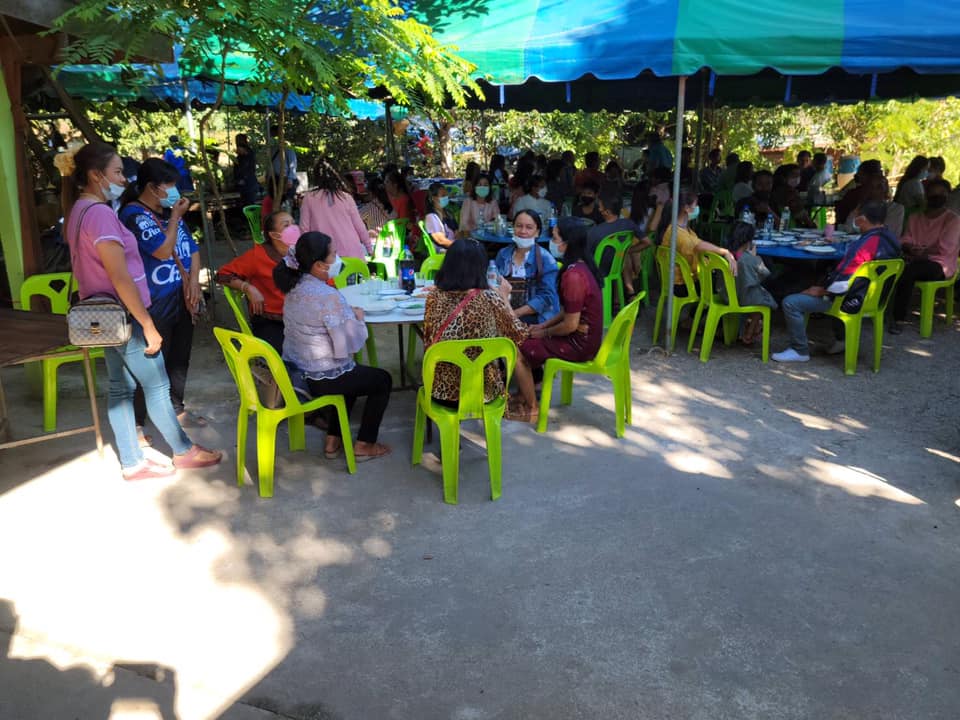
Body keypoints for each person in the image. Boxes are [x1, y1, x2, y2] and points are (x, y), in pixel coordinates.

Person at [60, 142, 220, 480]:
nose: (123, 179)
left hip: (102, 314)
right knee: (157, 385)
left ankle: (133, 462)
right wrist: (147, 323)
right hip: (124, 313)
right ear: (96, 175)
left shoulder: (78, 210)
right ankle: (184, 451)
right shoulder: (102, 214)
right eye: (118, 172)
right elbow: (120, 277)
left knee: (120, 388)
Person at [274, 232, 392, 460]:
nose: (338, 258)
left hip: (296, 373)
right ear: (319, 265)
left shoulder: (293, 289)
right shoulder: (328, 296)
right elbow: (350, 343)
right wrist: (358, 319)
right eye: (334, 254)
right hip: (319, 379)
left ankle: (333, 439)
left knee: (350, 372)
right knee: (381, 380)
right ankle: (365, 444)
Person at [118, 158, 205, 437]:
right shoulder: (134, 216)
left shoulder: (168, 212)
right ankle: (137, 423)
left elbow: (192, 249)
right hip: (154, 300)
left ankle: (176, 408)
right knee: (150, 365)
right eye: (169, 186)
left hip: (181, 295)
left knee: (179, 358)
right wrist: (176, 217)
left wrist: (193, 283)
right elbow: (162, 251)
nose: (174, 191)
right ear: (152, 188)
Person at [772, 201, 900, 363]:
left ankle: (799, 349)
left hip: (852, 300)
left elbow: (842, 282)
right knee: (823, 284)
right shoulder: (891, 239)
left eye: (856, 216)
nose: (854, 219)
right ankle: (842, 339)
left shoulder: (864, 244)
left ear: (862, 219)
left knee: (791, 302)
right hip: (876, 299)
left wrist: (821, 290)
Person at [509, 218, 604, 422]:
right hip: (584, 337)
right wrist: (542, 326)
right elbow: (567, 311)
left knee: (516, 349)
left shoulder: (574, 276)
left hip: (580, 344)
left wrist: (542, 333)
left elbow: (570, 324)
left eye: (555, 238)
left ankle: (532, 409)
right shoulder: (580, 266)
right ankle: (524, 395)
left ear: (567, 243)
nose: (551, 242)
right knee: (526, 335)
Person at [422, 239, 530, 406]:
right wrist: (503, 297)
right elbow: (520, 334)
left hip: (439, 393)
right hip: (483, 393)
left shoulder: (433, 297)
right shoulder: (490, 298)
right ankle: (530, 402)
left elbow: (428, 338)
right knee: (510, 351)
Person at [216, 211, 296, 352]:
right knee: (290, 356)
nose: (294, 228)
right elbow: (222, 275)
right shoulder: (257, 255)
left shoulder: (301, 251)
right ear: (274, 235)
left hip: (302, 318)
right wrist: (247, 287)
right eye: (286, 225)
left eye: (293, 223)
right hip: (271, 321)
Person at [890, 178, 960, 333]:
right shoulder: (915, 217)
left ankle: (898, 318)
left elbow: (946, 247)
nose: (937, 196)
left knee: (910, 271)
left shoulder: (952, 219)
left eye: (941, 193)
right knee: (891, 265)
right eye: (933, 193)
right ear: (926, 195)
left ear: (947, 195)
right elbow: (906, 238)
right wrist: (910, 247)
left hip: (940, 263)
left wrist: (923, 253)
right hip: (913, 257)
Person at [658, 189, 738, 295]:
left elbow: (698, 243)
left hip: (679, 281)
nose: (697, 208)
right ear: (687, 208)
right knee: (722, 280)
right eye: (695, 205)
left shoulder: (679, 228)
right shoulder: (678, 234)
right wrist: (725, 252)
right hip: (682, 285)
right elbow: (698, 245)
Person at [494, 209, 560, 324]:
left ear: (537, 232)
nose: (523, 231)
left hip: (536, 318)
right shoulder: (503, 254)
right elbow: (495, 285)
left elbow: (547, 297)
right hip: (505, 313)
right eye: (519, 226)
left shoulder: (546, 259)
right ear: (513, 228)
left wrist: (514, 314)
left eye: (529, 227)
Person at [299, 158, 372, 259]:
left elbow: (304, 230)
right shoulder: (346, 197)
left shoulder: (309, 198)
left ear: (316, 175)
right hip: (352, 254)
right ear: (337, 174)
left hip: (325, 257)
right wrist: (369, 249)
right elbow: (360, 227)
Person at [727, 222, 777, 344]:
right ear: (749, 241)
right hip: (742, 297)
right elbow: (765, 274)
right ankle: (750, 332)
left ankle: (748, 329)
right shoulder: (749, 259)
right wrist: (755, 257)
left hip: (727, 295)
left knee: (756, 294)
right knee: (764, 301)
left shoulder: (726, 254)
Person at [587, 187, 643, 286]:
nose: (598, 209)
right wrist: (627, 250)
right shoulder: (629, 224)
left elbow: (587, 255)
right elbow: (647, 242)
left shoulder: (595, 231)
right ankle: (626, 291)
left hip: (600, 271)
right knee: (624, 257)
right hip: (618, 267)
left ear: (607, 212)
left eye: (600, 207)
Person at [838, 175, 904, 239]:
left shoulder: (896, 208)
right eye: (872, 187)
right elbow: (848, 228)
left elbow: (888, 232)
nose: (875, 190)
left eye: (879, 186)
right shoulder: (863, 206)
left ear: (886, 189)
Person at [834, 159, 883, 225]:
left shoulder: (855, 194)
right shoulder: (883, 192)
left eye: (859, 173)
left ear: (864, 175)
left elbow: (841, 198)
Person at [267, 125, 298, 204]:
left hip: (285, 179)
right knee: (275, 201)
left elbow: (293, 164)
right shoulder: (271, 148)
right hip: (275, 179)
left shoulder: (287, 147)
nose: (272, 137)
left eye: (274, 134)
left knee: (285, 203)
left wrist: (290, 179)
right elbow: (271, 164)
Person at [424, 182, 457, 251]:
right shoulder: (431, 217)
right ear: (433, 198)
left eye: (446, 195)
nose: (446, 197)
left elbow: (457, 232)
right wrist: (458, 246)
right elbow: (441, 240)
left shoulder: (448, 213)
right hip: (443, 251)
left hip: (453, 247)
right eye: (443, 195)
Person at [233, 133, 259, 206]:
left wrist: (242, 179)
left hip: (249, 184)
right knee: (245, 205)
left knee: (249, 205)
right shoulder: (241, 156)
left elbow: (247, 169)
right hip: (244, 185)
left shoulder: (249, 153)